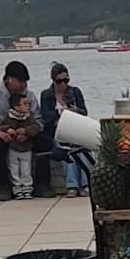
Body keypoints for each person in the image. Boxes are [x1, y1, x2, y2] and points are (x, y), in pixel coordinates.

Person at [0, 61, 52, 200]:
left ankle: (42, 184)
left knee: (45, 141)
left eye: (25, 82)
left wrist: (28, 132)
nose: (23, 85)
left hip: (27, 135)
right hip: (6, 136)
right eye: (20, 81)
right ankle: (4, 185)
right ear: (9, 79)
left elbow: (39, 121)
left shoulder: (29, 96)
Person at [40, 63, 89, 196]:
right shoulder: (46, 95)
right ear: (53, 80)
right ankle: (72, 185)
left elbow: (84, 112)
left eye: (66, 80)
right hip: (57, 130)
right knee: (66, 150)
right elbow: (45, 116)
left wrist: (75, 111)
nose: (63, 84)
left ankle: (86, 184)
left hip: (75, 128)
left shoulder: (75, 92)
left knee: (82, 150)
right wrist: (60, 112)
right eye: (59, 81)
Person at [0, 90, 42, 199]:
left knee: (26, 169)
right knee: (14, 169)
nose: (28, 106)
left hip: (26, 148)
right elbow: (1, 126)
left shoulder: (30, 116)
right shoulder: (9, 117)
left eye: (28, 104)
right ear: (16, 107)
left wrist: (26, 131)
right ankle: (17, 189)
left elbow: (36, 127)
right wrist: (8, 129)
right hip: (13, 148)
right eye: (25, 104)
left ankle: (27, 188)